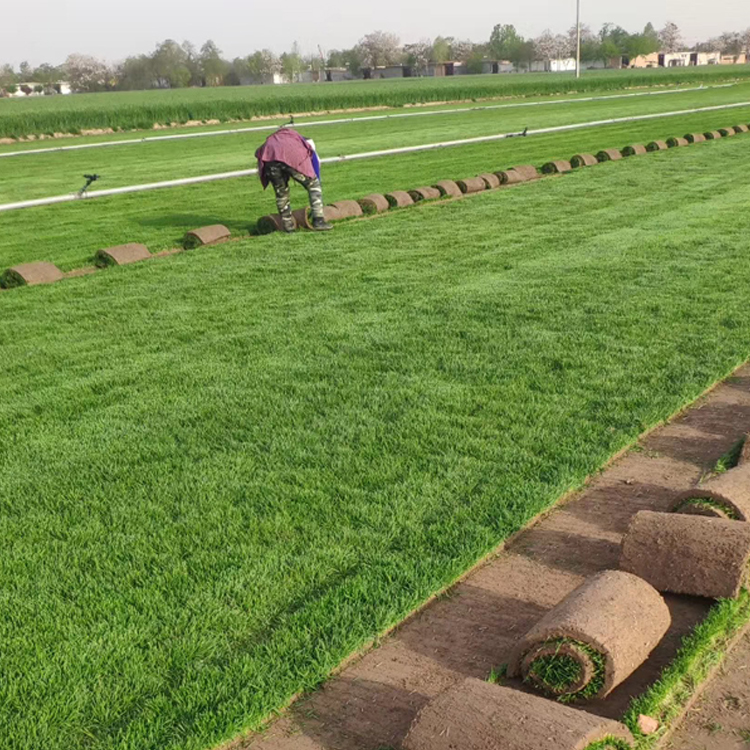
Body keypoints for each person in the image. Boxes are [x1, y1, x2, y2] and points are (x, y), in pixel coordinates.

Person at [255, 126, 333, 233]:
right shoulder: (305, 142)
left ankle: (288, 226)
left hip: (269, 159)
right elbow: (315, 164)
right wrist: (316, 182)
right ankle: (318, 221)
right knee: (313, 184)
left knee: (281, 193)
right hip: (290, 155)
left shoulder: (276, 138)